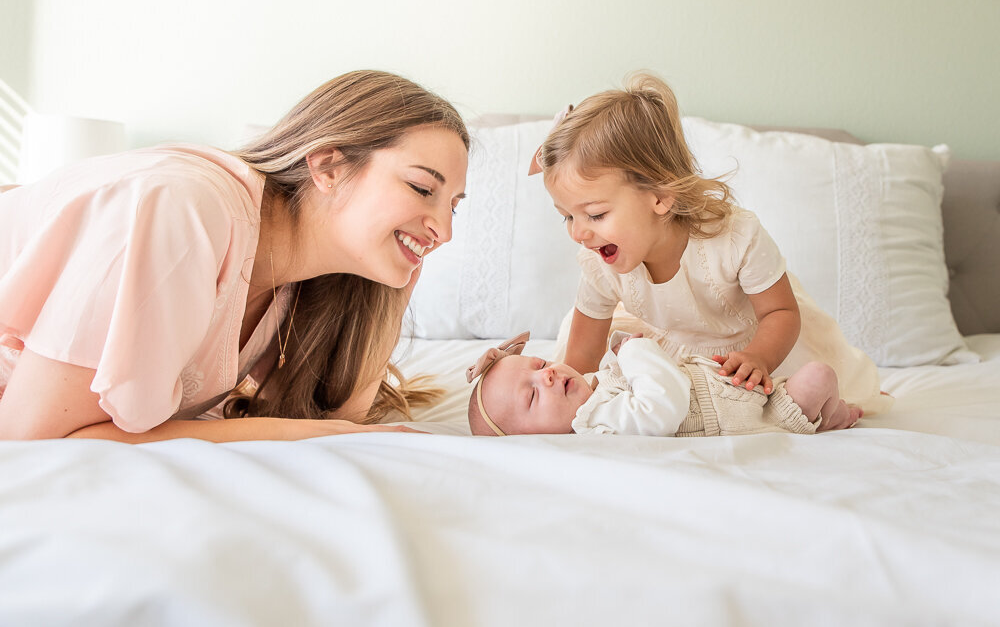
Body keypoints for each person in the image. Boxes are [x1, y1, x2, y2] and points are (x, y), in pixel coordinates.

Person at [0, 70, 469, 442]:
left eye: (453, 206)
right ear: (328, 166)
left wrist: (391, 305)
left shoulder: (298, 285)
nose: (443, 231)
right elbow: (31, 437)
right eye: (422, 188)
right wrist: (295, 434)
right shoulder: (185, 210)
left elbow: (342, 425)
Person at [528, 73, 889, 414]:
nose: (578, 233)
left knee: (804, 395)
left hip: (762, 343)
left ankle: (840, 406)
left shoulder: (734, 238)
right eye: (567, 217)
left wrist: (759, 358)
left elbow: (780, 313)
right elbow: (582, 354)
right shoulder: (598, 264)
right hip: (677, 348)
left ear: (659, 197)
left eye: (595, 214)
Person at [466, 331, 861, 437]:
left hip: (746, 390)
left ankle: (831, 410)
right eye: (533, 394)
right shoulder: (596, 422)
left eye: (539, 364)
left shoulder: (594, 390)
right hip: (759, 416)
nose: (548, 374)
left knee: (818, 373)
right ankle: (834, 418)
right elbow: (662, 407)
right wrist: (635, 351)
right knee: (819, 376)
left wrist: (621, 347)